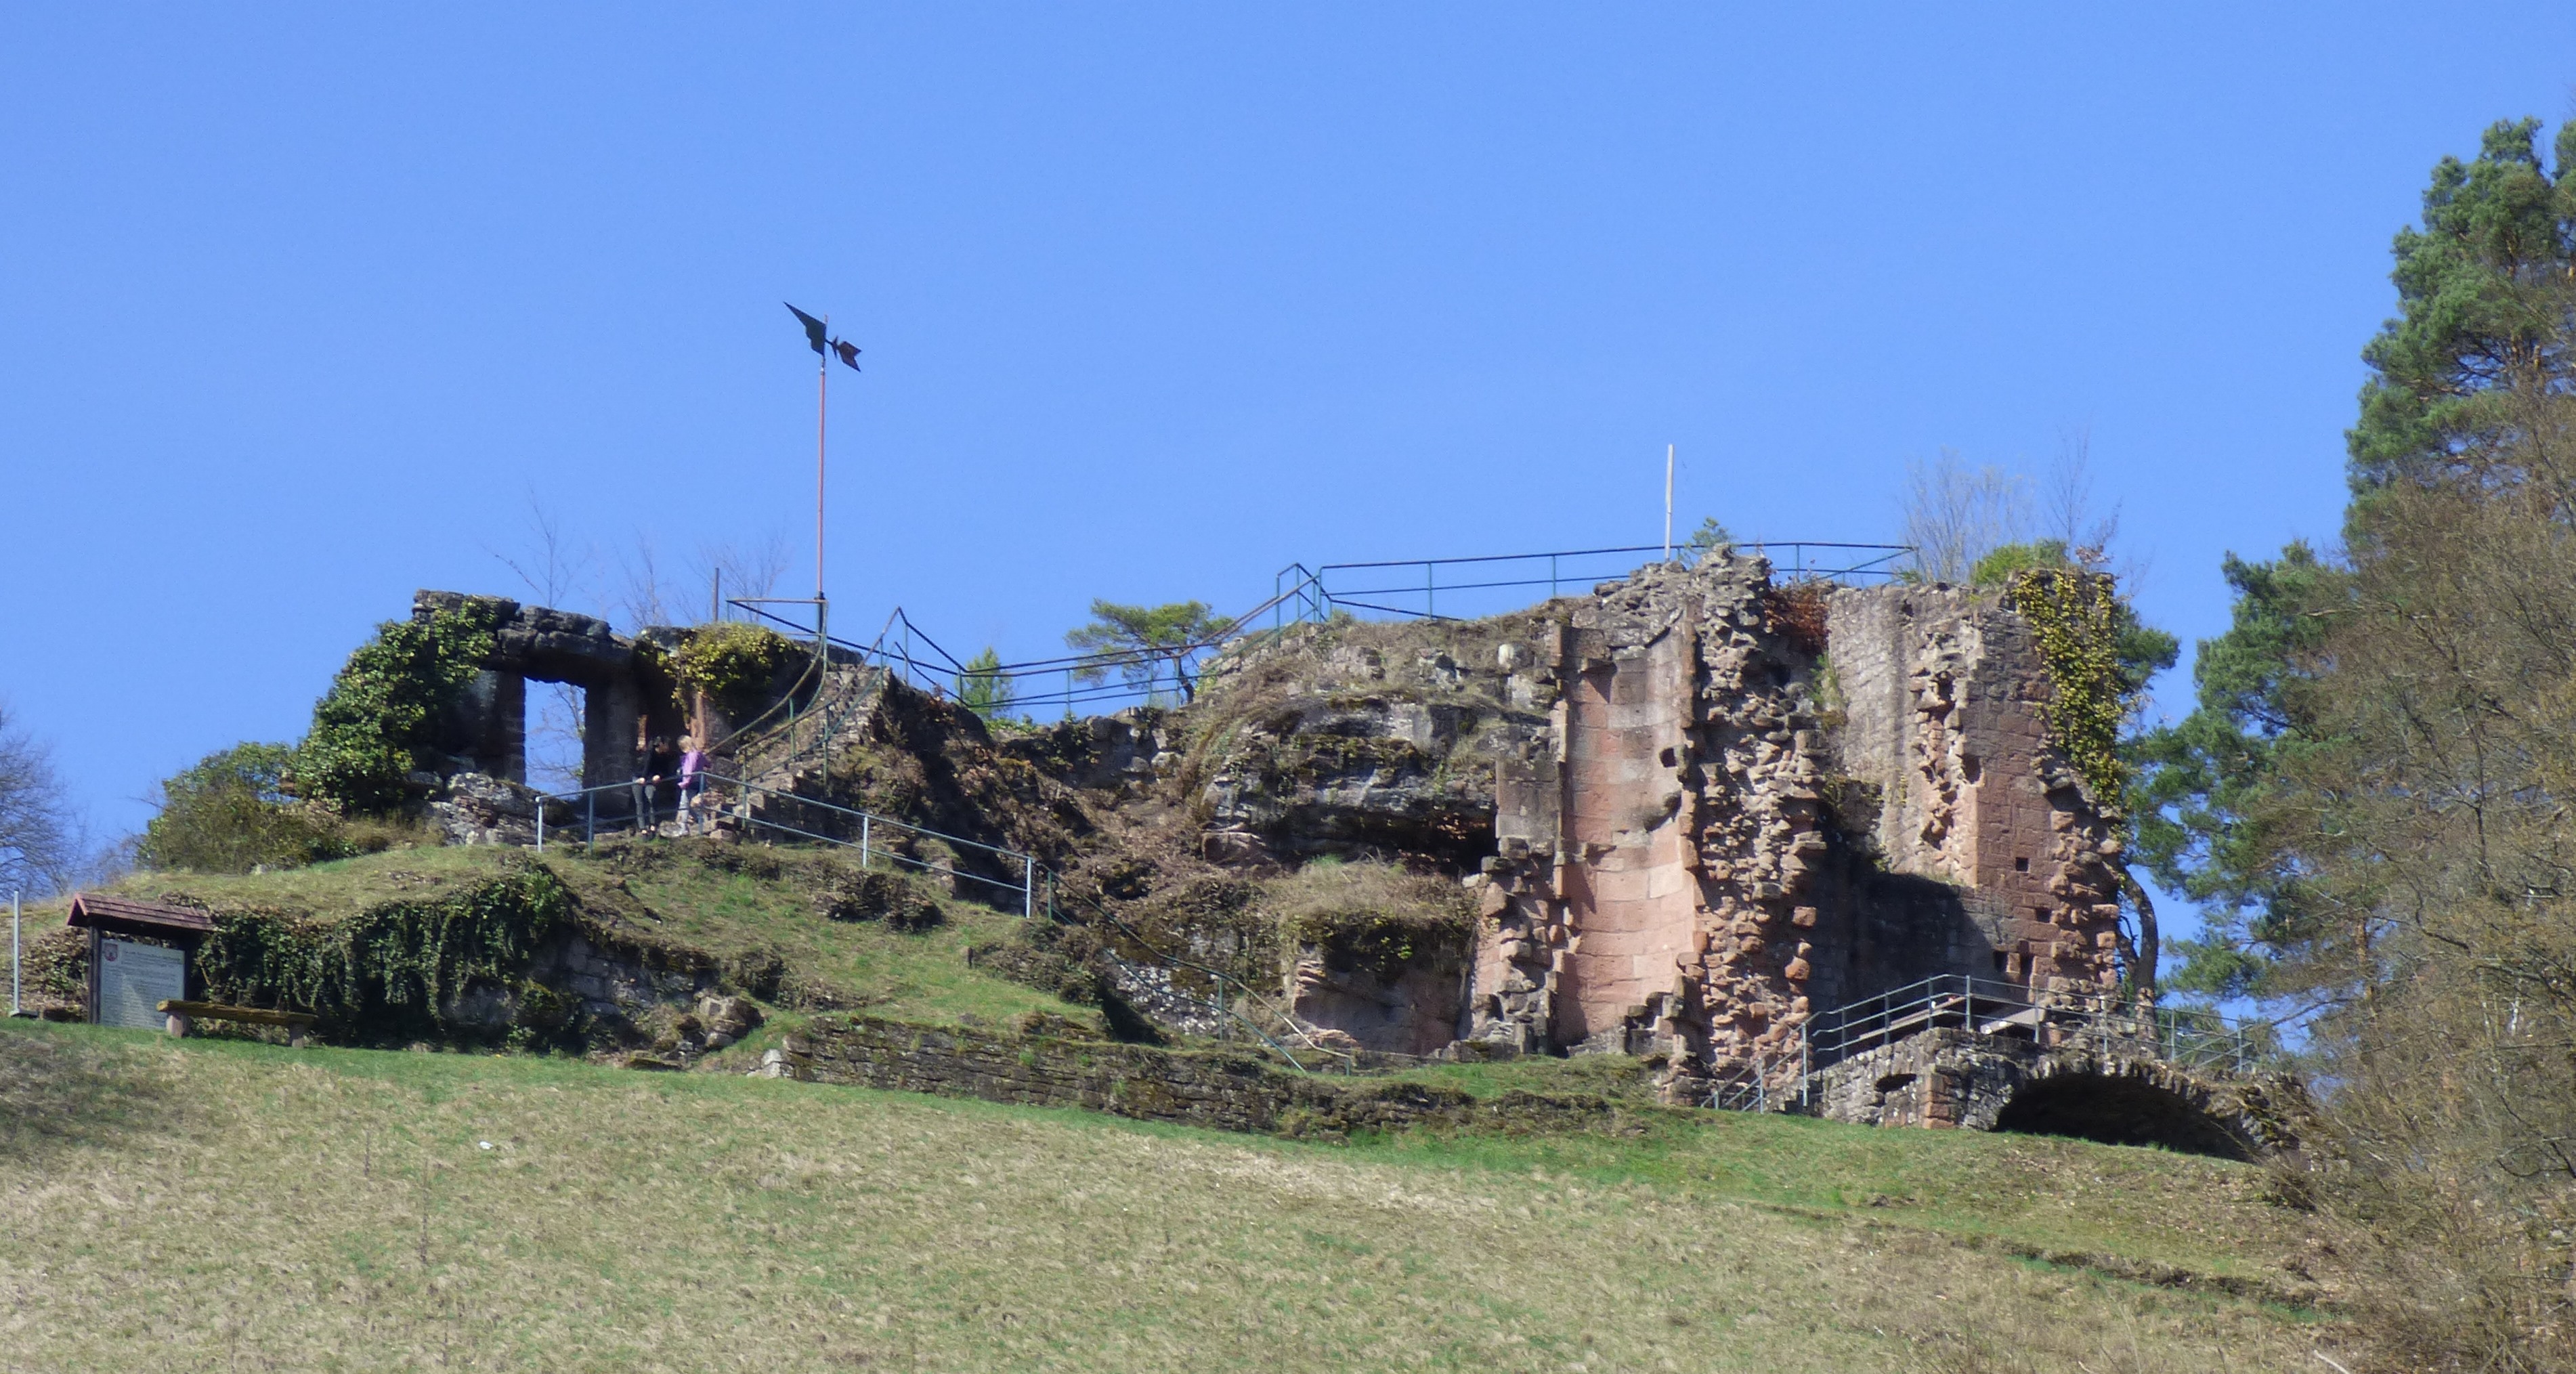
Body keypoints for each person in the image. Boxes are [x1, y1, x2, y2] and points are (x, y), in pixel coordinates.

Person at [677, 735, 708, 834]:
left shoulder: (691, 755)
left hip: (690, 783)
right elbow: (708, 764)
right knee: (693, 804)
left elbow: (690, 770)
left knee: (684, 804)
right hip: (699, 782)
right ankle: (701, 822)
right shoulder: (699, 754)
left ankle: (684, 829)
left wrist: (685, 783)